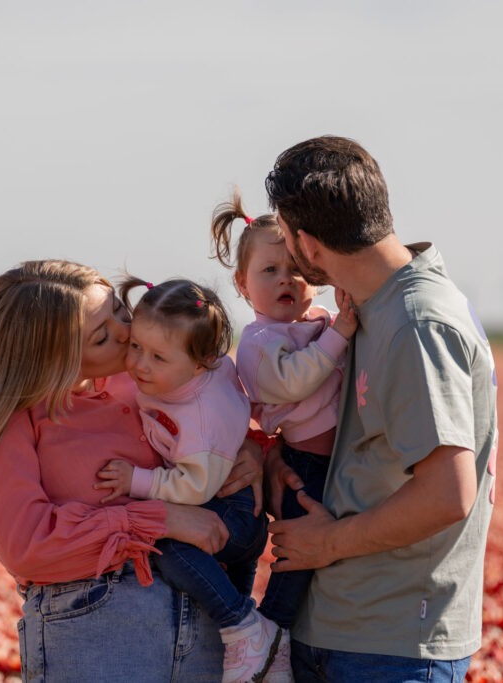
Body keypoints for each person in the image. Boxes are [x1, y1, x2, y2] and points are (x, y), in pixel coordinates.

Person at [0, 260, 265, 683]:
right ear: (54, 359)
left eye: (121, 312)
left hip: (209, 618)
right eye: (102, 336)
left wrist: (250, 452)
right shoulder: (7, 418)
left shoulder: (142, 375)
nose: (128, 333)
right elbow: (28, 545)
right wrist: (161, 520)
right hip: (98, 630)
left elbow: (209, 416)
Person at [263, 136, 499, 683]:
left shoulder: (417, 324)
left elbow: (448, 493)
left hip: (390, 640)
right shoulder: (372, 305)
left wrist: (328, 542)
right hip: (349, 625)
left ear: (308, 244)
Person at [94, 276, 280, 683]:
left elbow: (195, 488)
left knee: (167, 542)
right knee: (238, 617)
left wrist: (136, 481)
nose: (140, 364)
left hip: (231, 511)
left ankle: (242, 624)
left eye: (157, 358)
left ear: (201, 362)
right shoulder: (187, 373)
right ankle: (262, 652)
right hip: (233, 502)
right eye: (136, 347)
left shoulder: (200, 420)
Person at [209, 190, 357, 682]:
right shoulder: (258, 343)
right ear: (242, 284)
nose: (285, 279)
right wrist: (341, 335)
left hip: (337, 458)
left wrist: (338, 323)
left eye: (295, 267)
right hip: (304, 463)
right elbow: (297, 380)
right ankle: (267, 635)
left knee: (320, 554)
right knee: (295, 560)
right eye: (269, 271)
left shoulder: (316, 322)